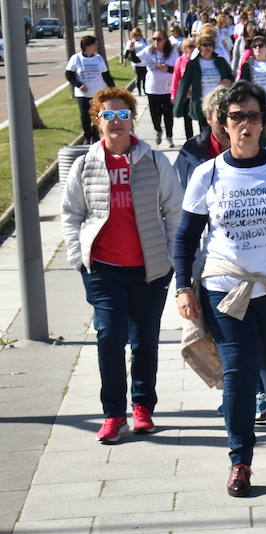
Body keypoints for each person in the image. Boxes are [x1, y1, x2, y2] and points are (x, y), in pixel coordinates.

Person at [173, 80, 266, 498]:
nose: (245, 124)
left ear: (265, 122)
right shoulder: (207, 174)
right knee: (239, 377)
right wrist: (183, 287)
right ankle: (240, 459)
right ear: (222, 124)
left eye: (253, 116)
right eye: (236, 116)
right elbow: (185, 237)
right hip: (226, 293)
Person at [61, 87, 184, 444]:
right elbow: (71, 213)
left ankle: (142, 408)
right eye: (108, 116)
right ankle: (113, 414)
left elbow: (173, 211)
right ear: (97, 121)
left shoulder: (155, 161)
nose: (116, 122)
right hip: (102, 269)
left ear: (132, 118)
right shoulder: (86, 164)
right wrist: (77, 257)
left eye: (122, 114)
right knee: (109, 338)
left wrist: (172, 257)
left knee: (144, 340)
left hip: (149, 269)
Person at [173, 30, 232, 134]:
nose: (207, 48)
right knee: (205, 132)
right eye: (204, 45)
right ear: (199, 47)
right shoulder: (193, 64)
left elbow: (231, 78)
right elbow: (184, 84)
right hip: (202, 103)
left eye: (210, 45)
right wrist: (178, 107)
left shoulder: (221, 62)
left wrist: (228, 82)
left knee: (219, 131)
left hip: (219, 103)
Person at [66, 36, 116, 144]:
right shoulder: (76, 58)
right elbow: (69, 75)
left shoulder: (98, 58)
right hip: (82, 94)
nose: (96, 46)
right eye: (95, 44)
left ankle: (96, 135)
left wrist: (113, 89)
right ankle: (87, 136)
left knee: (98, 116)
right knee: (85, 116)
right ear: (87, 46)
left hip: (98, 94)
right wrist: (79, 85)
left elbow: (106, 75)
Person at [140, 31, 178, 146]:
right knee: (155, 115)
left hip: (167, 89)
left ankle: (169, 136)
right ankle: (158, 130)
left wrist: (167, 69)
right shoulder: (148, 50)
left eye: (159, 39)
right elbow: (137, 60)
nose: (156, 41)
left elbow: (177, 69)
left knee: (168, 114)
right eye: (154, 39)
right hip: (152, 89)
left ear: (165, 40)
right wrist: (130, 51)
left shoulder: (172, 53)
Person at [126, 28, 150, 95]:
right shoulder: (131, 42)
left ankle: (145, 90)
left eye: (139, 34)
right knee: (138, 77)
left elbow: (149, 50)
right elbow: (127, 51)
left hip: (144, 63)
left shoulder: (144, 41)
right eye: (135, 35)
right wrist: (125, 60)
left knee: (145, 77)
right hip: (136, 64)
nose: (137, 36)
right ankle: (139, 91)